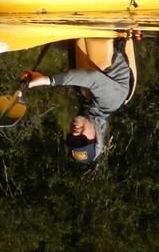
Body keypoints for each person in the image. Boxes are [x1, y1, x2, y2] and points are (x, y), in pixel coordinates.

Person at [21, 35, 136, 163]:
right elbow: (93, 78)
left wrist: (44, 40)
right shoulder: (112, 103)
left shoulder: (85, 100)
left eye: (71, 139)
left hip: (88, 32)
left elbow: (76, 52)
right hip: (106, 30)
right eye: (81, 140)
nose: (75, 134)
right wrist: (49, 80)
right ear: (97, 135)